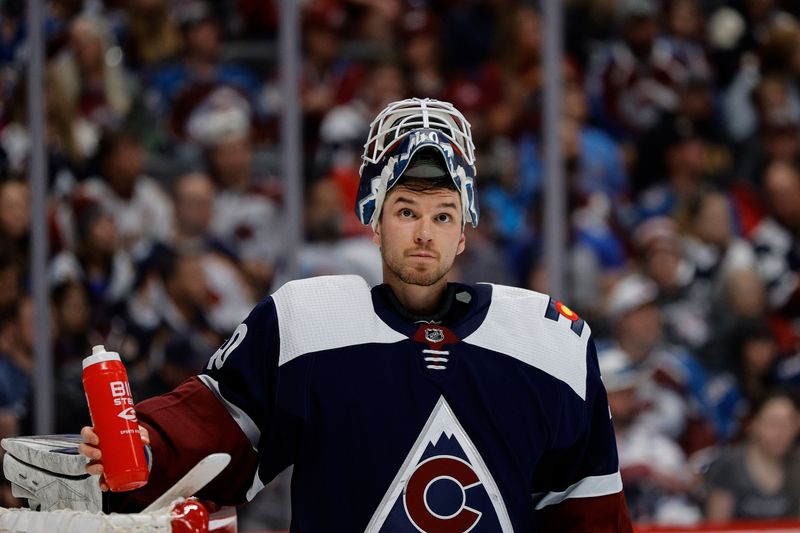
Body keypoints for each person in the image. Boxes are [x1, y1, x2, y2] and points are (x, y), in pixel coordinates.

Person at [79, 98, 633, 531]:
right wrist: (140, 446)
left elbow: (589, 515)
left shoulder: (548, 343)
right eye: (406, 210)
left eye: (444, 216)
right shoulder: (306, 327)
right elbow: (215, 433)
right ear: (372, 216)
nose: (424, 233)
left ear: (465, 232)